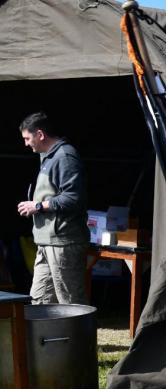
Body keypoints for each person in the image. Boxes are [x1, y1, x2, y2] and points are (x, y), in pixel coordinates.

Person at [17, 112, 89, 305]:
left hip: (64, 242)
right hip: (47, 242)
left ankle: (78, 336)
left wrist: (38, 206)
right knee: (39, 301)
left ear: (40, 134)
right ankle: (45, 336)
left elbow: (74, 198)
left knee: (71, 302)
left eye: (27, 138)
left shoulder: (65, 156)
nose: (26, 144)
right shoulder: (47, 157)